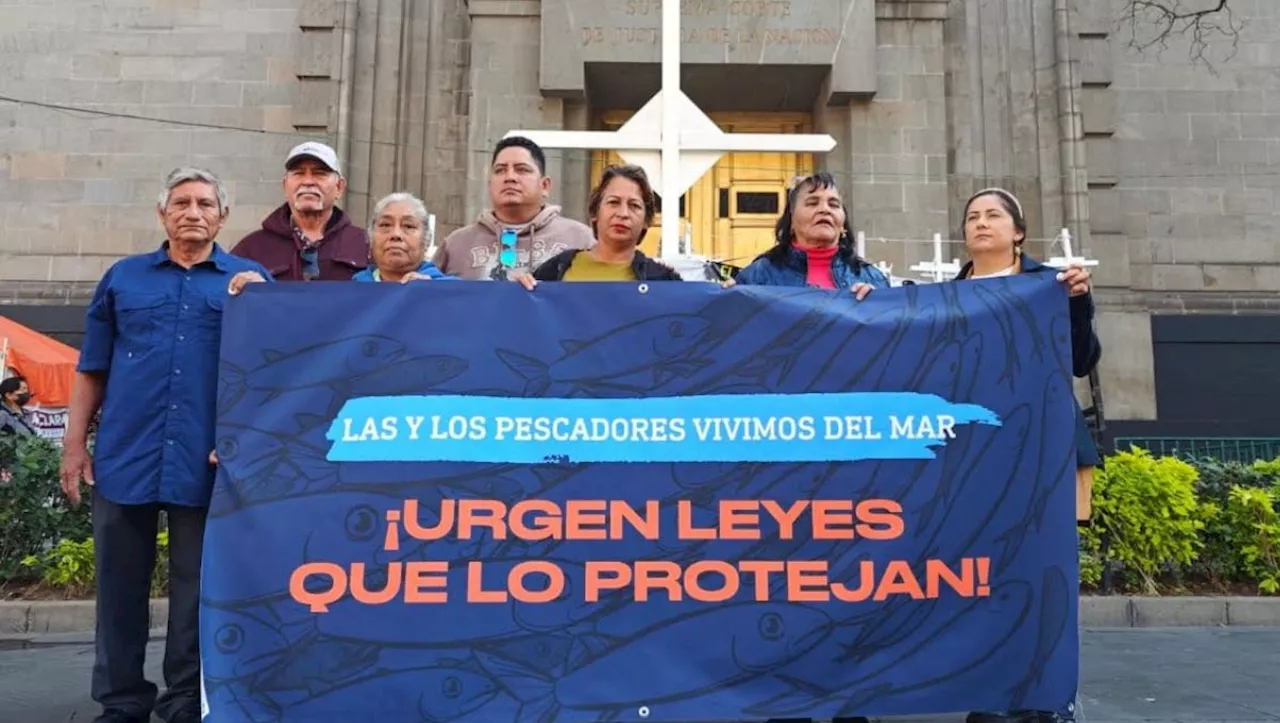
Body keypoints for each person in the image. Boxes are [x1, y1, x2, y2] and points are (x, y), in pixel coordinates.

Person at [60, 167, 273, 723]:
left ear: (223, 216)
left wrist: (244, 439)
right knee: (118, 586)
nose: (193, 212)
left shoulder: (248, 281)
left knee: (196, 591)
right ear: (163, 213)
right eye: (181, 202)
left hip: (206, 460)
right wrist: (74, 446)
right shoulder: (124, 279)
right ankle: (123, 699)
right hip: (124, 454)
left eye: (205, 203)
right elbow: (91, 369)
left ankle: (184, 699)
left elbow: (267, 372)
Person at [955, 187, 1098, 723]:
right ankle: (993, 694)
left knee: (1044, 574)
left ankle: (1047, 695)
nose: (981, 223)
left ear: (1018, 231)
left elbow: (1082, 360)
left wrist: (1078, 304)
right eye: (972, 217)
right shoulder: (946, 295)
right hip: (976, 461)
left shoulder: (1049, 287)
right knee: (985, 578)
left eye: (993, 215)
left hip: (1044, 455)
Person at [433, 136, 595, 281]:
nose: (510, 177)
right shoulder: (456, 245)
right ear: (490, 184)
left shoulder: (580, 239)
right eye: (500, 170)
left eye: (522, 169)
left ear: (545, 185)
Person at [511, 164, 682, 289]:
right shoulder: (557, 268)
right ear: (595, 213)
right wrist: (518, 292)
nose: (623, 213)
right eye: (613, 202)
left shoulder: (663, 281)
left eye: (634, 205)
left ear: (646, 220)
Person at [726, 172, 888, 300]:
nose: (825, 209)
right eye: (812, 203)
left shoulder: (872, 278)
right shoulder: (758, 276)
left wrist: (878, 305)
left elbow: (895, 334)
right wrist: (724, 301)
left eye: (833, 204)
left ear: (843, 225)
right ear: (791, 221)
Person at [231, 141, 370, 281]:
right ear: (285, 186)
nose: (308, 181)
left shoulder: (365, 245)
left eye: (319, 173)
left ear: (339, 187)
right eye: (299, 173)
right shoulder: (252, 248)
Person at [352, 193, 456, 283]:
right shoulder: (351, 291)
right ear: (370, 238)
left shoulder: (451, 293)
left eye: (408, 226)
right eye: (385, 225)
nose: (396, 234)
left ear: (426, 240)